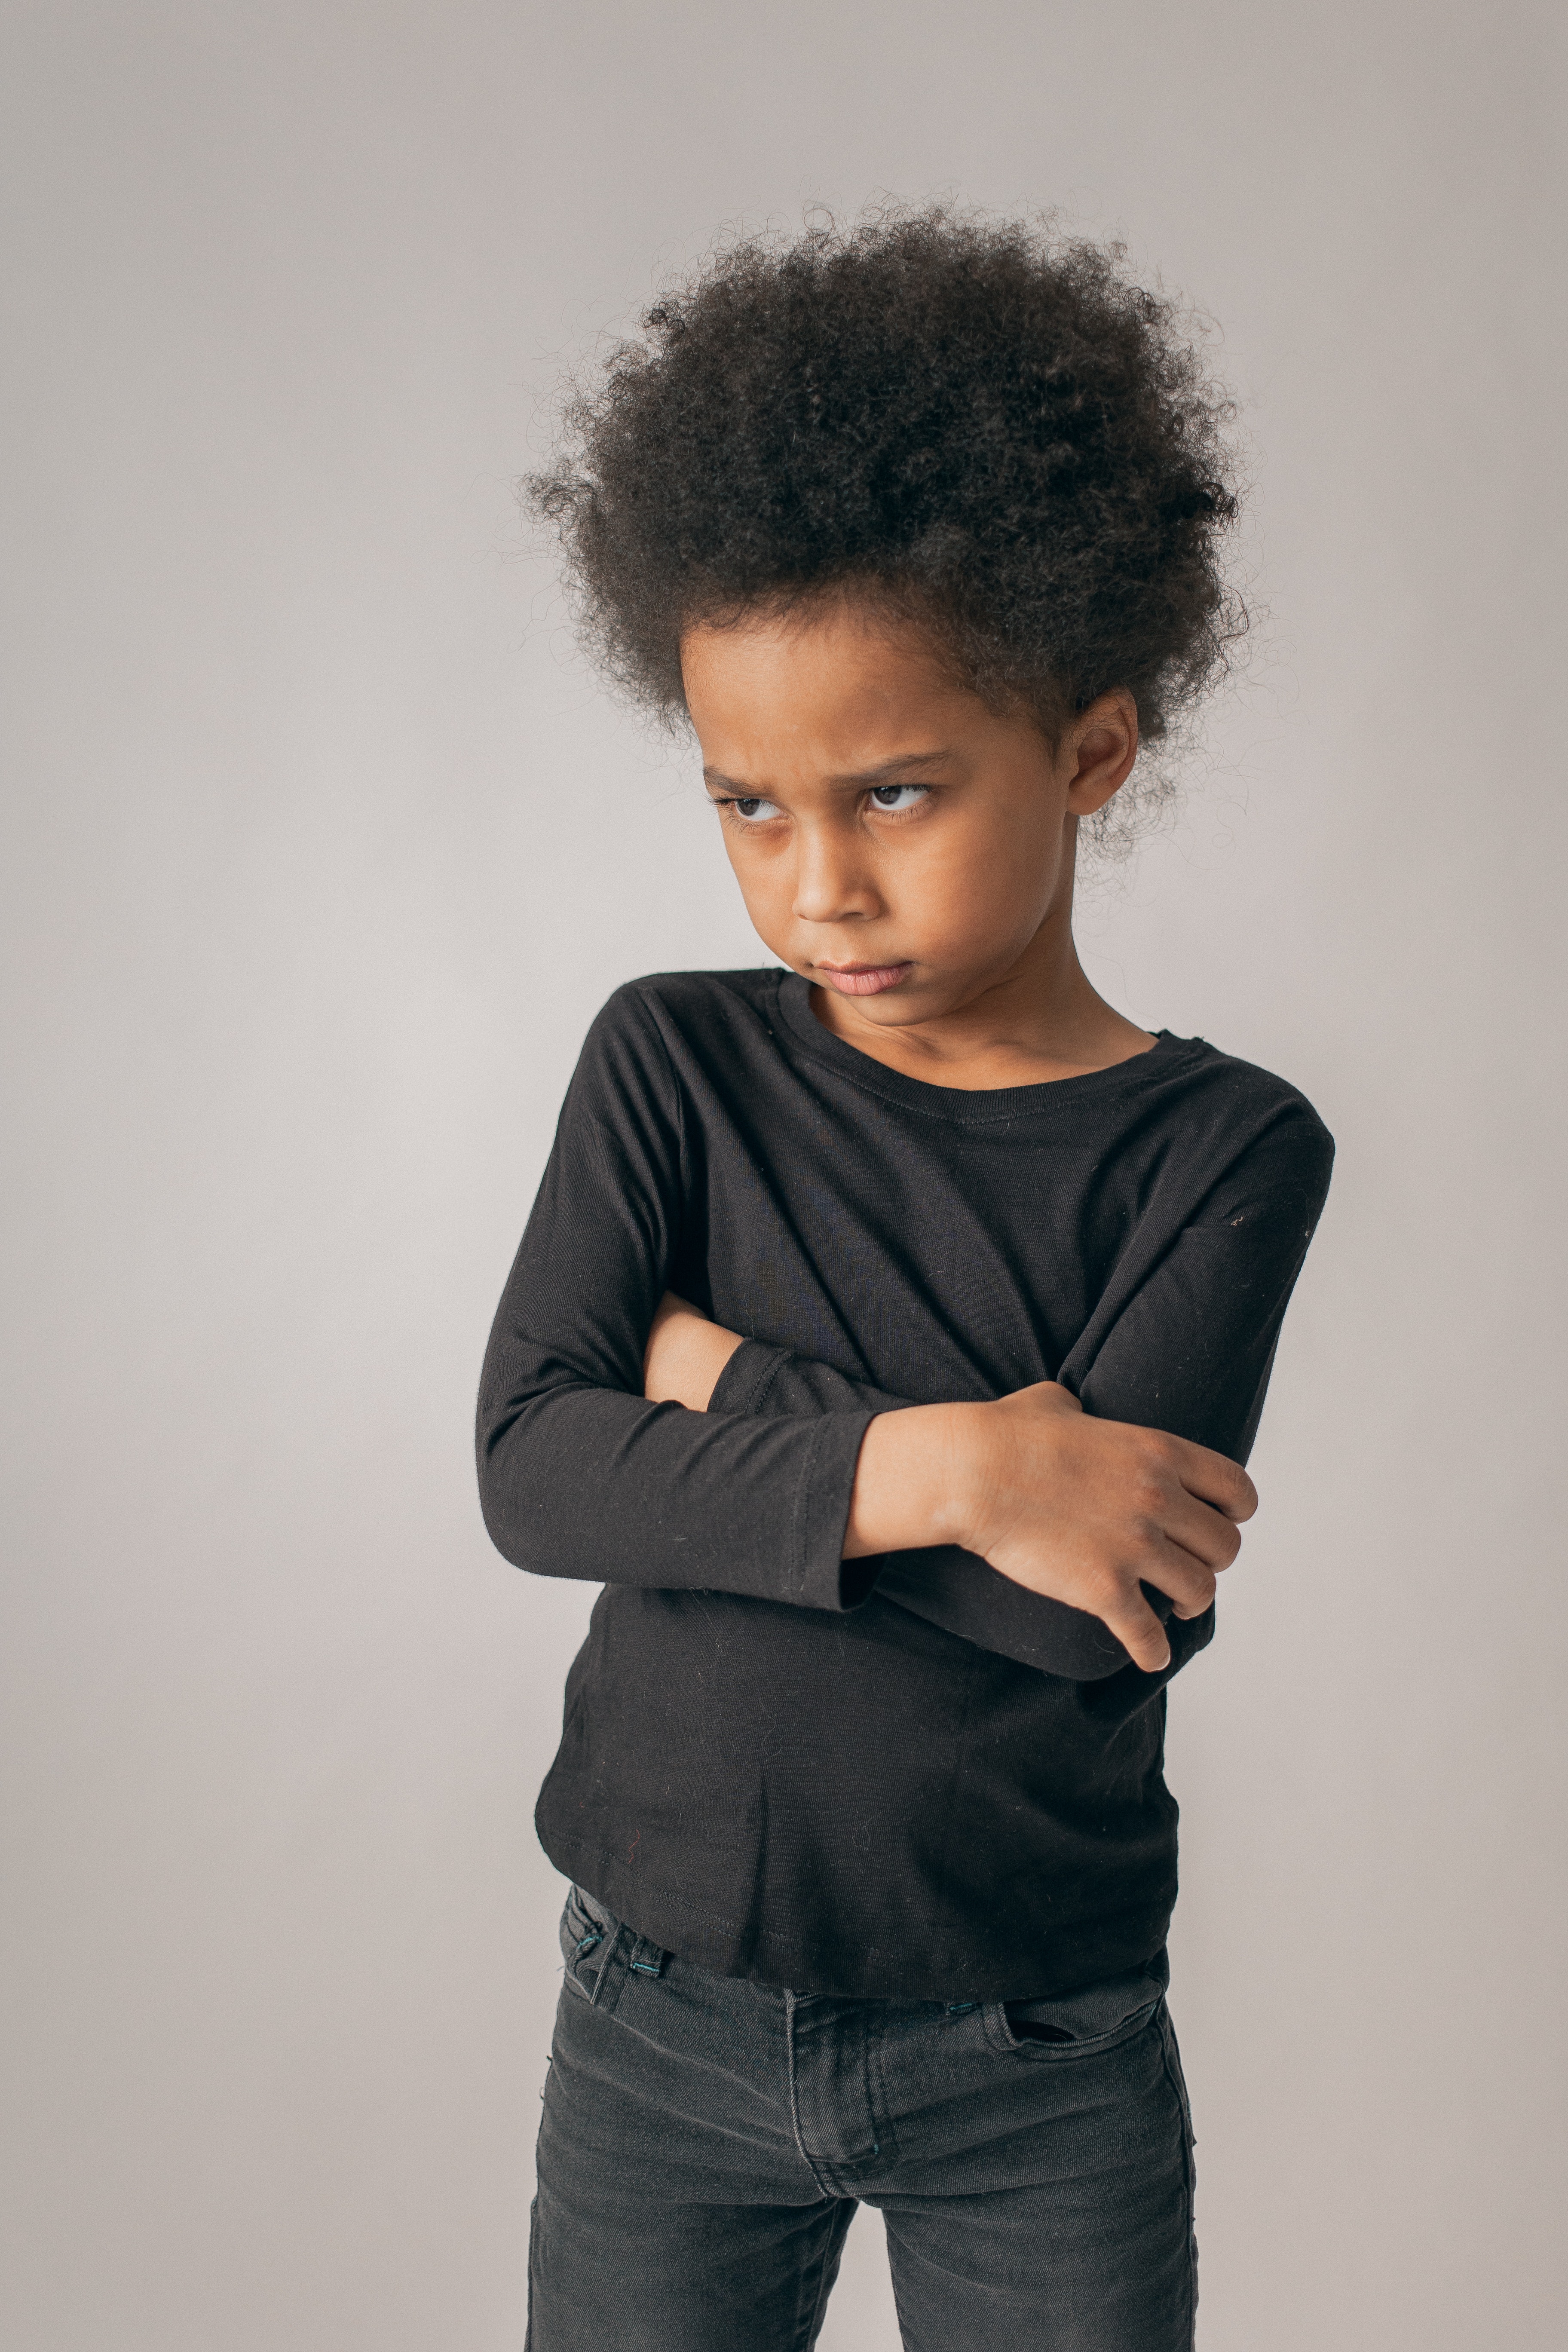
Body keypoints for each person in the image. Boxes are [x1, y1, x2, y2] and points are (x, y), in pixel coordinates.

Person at [478, 208, 1333, 2351]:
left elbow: (1080, 1612)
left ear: (1091, 751)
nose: (817, 887)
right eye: (749, 807)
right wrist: (965, 1467)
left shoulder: (1225, 1150)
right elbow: (537, 1468)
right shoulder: (670, 1063)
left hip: (1036, 2052)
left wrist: (716, 1386)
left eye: (891, 793)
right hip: (655, 2011)